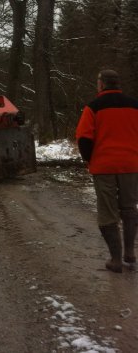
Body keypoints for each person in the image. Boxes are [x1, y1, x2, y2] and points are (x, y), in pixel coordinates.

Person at [75, 69, 138, 273]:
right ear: (118, 84)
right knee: (129, 208)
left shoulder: (93, 107)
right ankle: (130, 253)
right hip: (131, 165)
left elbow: (84, 137)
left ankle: (116, 259)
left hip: (104, 167)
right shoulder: (134, 106)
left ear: (101, 85)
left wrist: (88, 160)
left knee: (107, 212)